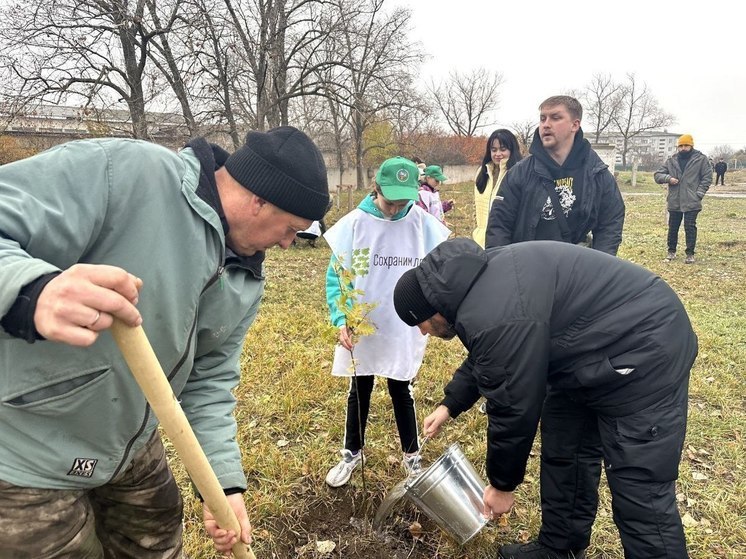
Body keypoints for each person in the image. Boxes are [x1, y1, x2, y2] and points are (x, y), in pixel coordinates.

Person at [0, 127, 330, 557]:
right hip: (25, 452)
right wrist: (31, 291)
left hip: (129, 444)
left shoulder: (245, 279)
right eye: (291, 229)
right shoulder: (123, 173)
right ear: (259, 199)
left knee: (156, 541)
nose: (289, 244)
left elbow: (209, 381)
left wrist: (223, 484)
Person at [393, 237, 697, 559]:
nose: (423, 332)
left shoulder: (495, 309)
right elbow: (494, 354)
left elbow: (513, 405)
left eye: (420, 323)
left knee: (641, 492)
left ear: (431, 307)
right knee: (566, 453)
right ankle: (559, 548)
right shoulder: (474, 286)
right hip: (586, 356)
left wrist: (501, 486)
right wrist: (449, 404)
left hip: (644, 351)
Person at [323, 156, 450, 488]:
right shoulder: (355, 224)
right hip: (365, 322)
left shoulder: (423, 224)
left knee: (400, 386)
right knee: (359, 386)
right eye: (389, 200)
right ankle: (352, 452)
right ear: (375, 188)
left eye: (402, 201)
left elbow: (438, 273)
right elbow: (338, 276)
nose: (394, 209)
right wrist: (342, 319)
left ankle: (412, 459)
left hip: (405, 323)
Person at [485, 95, 625, 255]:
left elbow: (610, 223)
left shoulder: (596, 173)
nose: (546, 125)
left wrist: (599, 268)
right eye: (542, 119)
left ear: (575, 125)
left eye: (555, 118)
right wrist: (503, 269)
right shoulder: (519, 173)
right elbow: (499, 226)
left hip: (577, 271)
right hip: (528, 268)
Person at [654, 134, 712, 264]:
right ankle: (671, 251)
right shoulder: (671, 160)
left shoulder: (701, 159)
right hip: (675, 199)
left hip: (692, 200)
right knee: (673, 227)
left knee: (690, 227)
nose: (683, 148)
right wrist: (668, 179)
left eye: (686, 145)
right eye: (680, 146)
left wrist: (699, 194)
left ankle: (690, 254)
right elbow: (658, 175)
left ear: (691, 146)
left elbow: (707, 177)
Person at [473, 129, 523, 247]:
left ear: (512, 149)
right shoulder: (482, 172)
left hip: (506, 243)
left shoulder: (517, 174)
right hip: (481, 241)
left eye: (503, 149)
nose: (498, 154)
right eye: (494, 150)